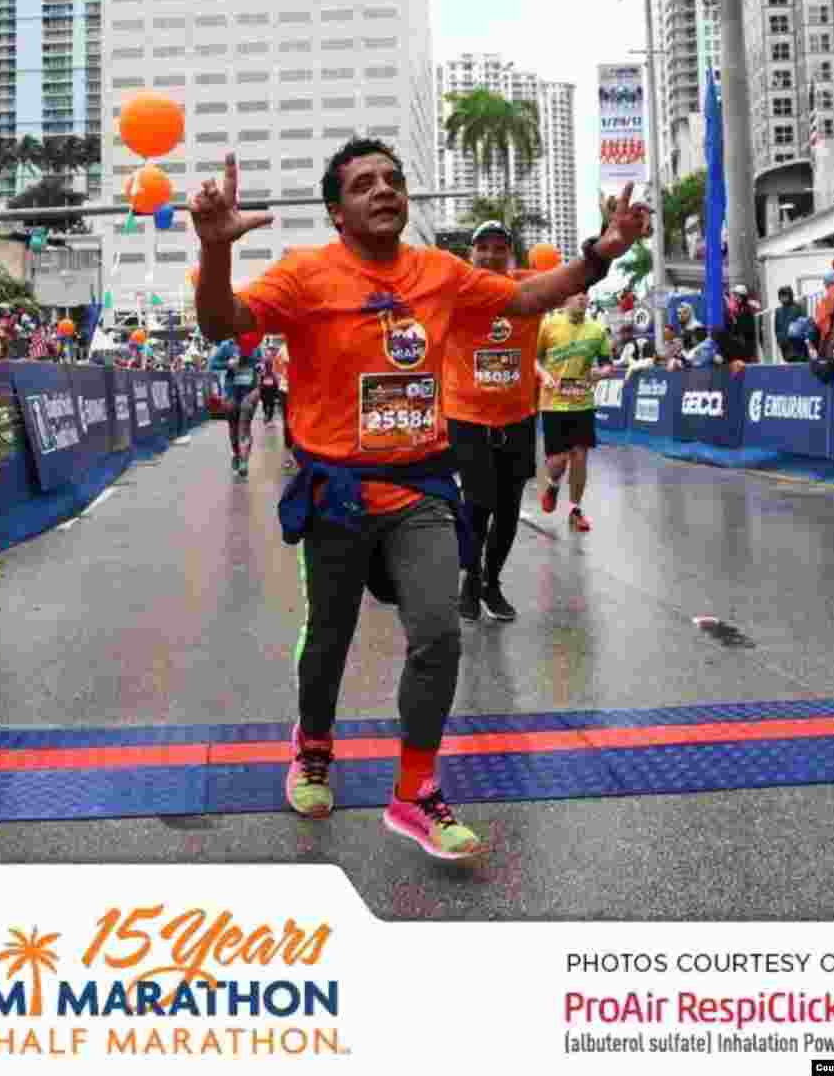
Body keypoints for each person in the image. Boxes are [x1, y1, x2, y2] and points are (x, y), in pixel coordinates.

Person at [191, 141, 649, 861]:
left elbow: (527, 296)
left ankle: (414, 792)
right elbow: (222, 324)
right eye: (364, 183)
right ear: (337, 211)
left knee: (437, 630)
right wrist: (215, 251)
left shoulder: (439, 273)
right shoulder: (307, 275)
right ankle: (313, 744)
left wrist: (601, 255)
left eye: (394, 180)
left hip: (421, 489)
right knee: (331, 634)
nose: (384, 190)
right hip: (337, 493)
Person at [443, 220, 542, 624]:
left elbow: (577, 278)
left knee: (508, 508)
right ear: (471, 254)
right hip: (466, 417)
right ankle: (469, 580)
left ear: (510, 255)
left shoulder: (530, 290)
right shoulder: (453, 292)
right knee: (478, 503)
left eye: (499, 248)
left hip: (517, 418)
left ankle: (491, 582)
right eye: (482, 248)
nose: (490, 255)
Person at [537, 294, 613, 532]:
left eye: (585, 294)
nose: (582, 298)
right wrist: (544, 375)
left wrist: (600, 373)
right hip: (553, 403)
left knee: (580, 456)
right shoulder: (548, 325)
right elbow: (533, 359)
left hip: (582, 402)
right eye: (577, 294)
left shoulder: (598, 330)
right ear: (566, 299)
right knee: (558, 461)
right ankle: (552, 484)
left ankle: (575, 510)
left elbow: (607, 364)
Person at [208, 333, 263, 478]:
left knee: (244, 422)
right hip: (232, 390)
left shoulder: (255, 344)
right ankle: (236, 454)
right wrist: (228, 364)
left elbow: (260, 362)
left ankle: (244, 461)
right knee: (233, 425)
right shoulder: (227, 345)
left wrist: (259, 366)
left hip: (249, 390)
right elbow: (212, 364)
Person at [272, 337, 297, 473]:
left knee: (300, 422)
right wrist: (282, 381)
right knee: (288, 423)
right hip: (286, 390)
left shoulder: (305, 346)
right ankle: (289, 457)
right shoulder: (283, 350)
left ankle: (301, 455)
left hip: (301, 392)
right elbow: (275, 369)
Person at [724, 285, 761, 363]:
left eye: (737, 295)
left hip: (746, 343)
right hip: (739, 342)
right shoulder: (737, 309)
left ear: (742, 296)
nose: (735, 297)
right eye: (735, 295)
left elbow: (747, 329)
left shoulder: (747, 309)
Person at [774, 286, 808, 364]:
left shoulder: (797, 308)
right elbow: (776, 328)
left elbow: (804, 325)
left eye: (785, 295)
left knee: (798, 364)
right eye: (781, 296)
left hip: (797, 345)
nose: (783, 298)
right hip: (784, 345)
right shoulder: (778, 311)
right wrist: (779, 340)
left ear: (790, 295)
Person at [259, 344, 279, 425]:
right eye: (268, 351)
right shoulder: (263, 361)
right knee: (264, 400)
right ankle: (266, 415)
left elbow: (277, 371)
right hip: (264, 383)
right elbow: (260, 371)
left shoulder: (275, 360)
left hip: (272, 383)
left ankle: (269, 417)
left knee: (271, 401)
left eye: (271, 350)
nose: (269, 353)